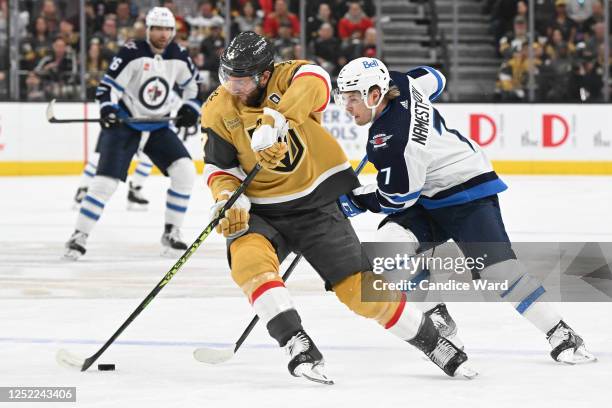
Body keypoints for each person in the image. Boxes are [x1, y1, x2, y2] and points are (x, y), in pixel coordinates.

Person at [201, 31, 476, 385]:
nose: (233, 88)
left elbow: (315, 81)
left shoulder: (287, 77)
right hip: (261, 211)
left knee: (361, 292)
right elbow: (220, 167)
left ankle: (434, 343)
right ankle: (294, 341)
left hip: (316, 203)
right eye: (228, 78)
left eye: (242, 81)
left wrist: (276, 119)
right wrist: (227, 197)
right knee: (248, 260)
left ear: (265, 75)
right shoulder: (218, 108)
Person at [334, 57, 597, 365]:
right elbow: (435, 77)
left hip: (466, 189)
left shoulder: (393, 141)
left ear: (374, 95)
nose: (347, 107)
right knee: (388, 246)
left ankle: (560, 332)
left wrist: (355, 200)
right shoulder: (402, 82)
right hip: (430, 191)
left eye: (352, 98)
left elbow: (397, 199)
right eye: (344, 98)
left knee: (498, 272)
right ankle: (438, 317)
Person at [64, 7, 202, 260]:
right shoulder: (131, 52)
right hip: (126, 124)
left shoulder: (179, 54)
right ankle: (79, 235)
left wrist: (190, 108)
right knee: (104, 183)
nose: (163, 34)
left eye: (168, 29)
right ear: (147, 30)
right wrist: (108, 109)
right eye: (158, 28)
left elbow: (194, 87)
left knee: (185, 171)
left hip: (159, 126)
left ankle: (172, 232)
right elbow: (106, 89)